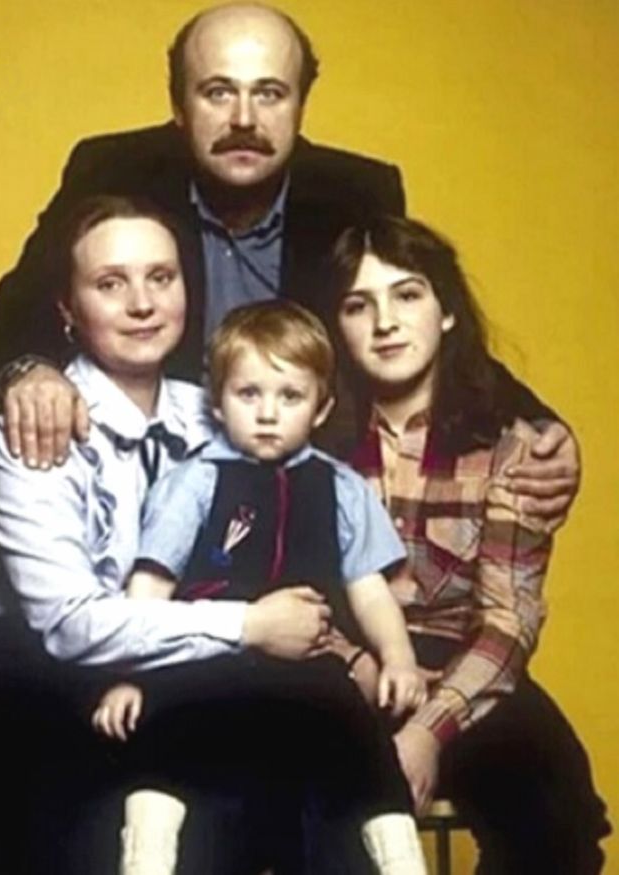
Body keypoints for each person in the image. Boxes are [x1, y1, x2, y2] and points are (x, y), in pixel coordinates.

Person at [0, 3, 579, 534]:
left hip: (293, 506)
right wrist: (29, 371)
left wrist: (534, 423)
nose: (244, 120)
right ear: (179, 107)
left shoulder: (354, 192)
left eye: (269, 93)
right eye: (218, 92)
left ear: (301, 104)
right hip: (138, 502)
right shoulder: (113, 173)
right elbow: (1, 331)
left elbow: (412, 333)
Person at [0, 196, 334, 875]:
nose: (142, 303)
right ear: (67, 309)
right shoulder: (37, 421)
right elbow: (68, 625)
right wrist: (250, 625)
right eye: (110, 283)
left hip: (169, 669)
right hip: (18, 673)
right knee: (91, 820)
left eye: (161, 278)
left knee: (264, 784)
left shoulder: (226, 417)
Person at [93, 300, 428, 875]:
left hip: (309, 668)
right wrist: (126, 676)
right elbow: (151, 583)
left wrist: (398, 658)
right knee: (162, 739)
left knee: (364, 744)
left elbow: (369, 589)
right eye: (249, 394)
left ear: (321, 407)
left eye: (290, 396)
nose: (268, 413)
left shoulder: (342, 487)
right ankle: (146, 859)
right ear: (217, 402)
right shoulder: (194, 480)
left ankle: (401, 861)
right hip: (204, 660)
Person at [327, 214, 610, 874]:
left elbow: (509, 619)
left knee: (557, 814)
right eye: (358, 305)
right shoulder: (311, 444)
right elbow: (292, 591)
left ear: (448, 311)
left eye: (407, 295)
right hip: (345, 667)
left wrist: (429, 728)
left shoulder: (514, 446)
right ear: (336, 327)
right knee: (321, 813)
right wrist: (360, 667)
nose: (385, 322)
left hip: (469, 664)